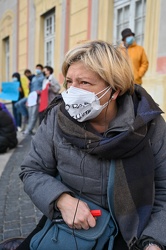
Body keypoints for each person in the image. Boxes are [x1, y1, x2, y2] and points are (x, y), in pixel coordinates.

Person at [18, 40, 166, 250]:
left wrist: (155, 240)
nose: (72, 92)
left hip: (134, 231)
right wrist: (62, 199)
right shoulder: (56, 117)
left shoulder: (150, 125)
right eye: (69, 82)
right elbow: (32, 170)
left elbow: (164, 188)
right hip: (74, 230)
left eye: (85, 83)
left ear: (114, 90)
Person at [23, 64, 44, 135]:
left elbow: (43, 88)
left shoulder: (43, 78)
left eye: (39, 68)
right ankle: (31, 129)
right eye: (36, 68)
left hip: (37, 98)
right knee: (30, 114)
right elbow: (31, 89)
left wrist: (40, 92)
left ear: (41, 69)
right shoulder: (34, 77)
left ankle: (28, 130)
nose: (37, 69)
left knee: (34, 115)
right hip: (31, 97)